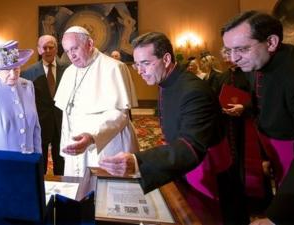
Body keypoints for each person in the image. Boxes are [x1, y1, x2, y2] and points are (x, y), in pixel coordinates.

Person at [99, 32, 222, 220]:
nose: (139, 71)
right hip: (179, 162)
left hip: (203, 172)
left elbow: (191, 146)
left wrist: (138, 162)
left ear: (166, 59)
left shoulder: (194, 91)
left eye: (146, 63)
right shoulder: (167, 81)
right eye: (137, 64)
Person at [222, 11, 294, 225]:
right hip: (275, 153)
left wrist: (275, 217)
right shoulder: (256, 61)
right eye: (229, 50)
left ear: (271, 42)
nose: (233, 58)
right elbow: (265, 98)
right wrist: (245, 108)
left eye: (242, 49)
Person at [54, 26, 139, 177]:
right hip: (77, 145)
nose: (71, 56)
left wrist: (92, 136)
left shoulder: (114, 67)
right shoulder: (69, 72)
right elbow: (67, 115)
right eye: (67, 51)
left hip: (107, 144)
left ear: (90, 44)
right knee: (78, 193)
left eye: (74, 48)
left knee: (106, 193)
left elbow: (120, 114)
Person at [21, 35, 67, 175]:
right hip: (39, 123)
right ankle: (41, 189)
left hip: (62, 122)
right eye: (44, 47)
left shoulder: (68, 69)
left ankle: (62, 191)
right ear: (39, 50)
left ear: (56, 49)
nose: (47, 50)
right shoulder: (28, 73)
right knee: (40, 163)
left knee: (62, 160)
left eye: (51, 47)